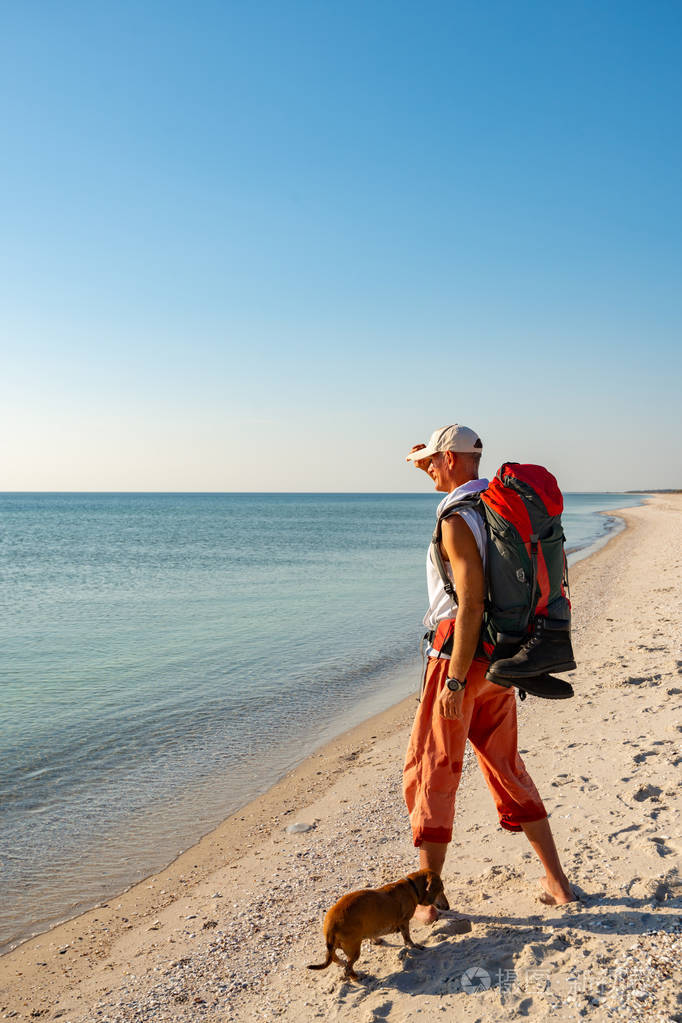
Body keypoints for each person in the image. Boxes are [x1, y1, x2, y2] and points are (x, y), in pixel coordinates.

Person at [403, 424, 575, 922]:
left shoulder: (457, 520)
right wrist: (428, 460)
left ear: (453, 460)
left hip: (458, 657)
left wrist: (455, 681)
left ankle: (431, 901)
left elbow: (471, 601)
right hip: (502, 659)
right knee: (506, 765)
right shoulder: (501, 508)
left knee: (432, 769)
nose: (429, 468)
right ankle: (557, 882)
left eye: (435, 461)